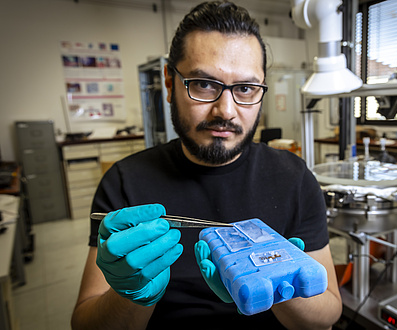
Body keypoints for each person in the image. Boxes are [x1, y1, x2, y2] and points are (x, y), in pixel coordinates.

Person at [71, 1, 342, 329]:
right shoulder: (124, 182)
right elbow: (85, 323)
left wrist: (281, 285)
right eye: (204, 84)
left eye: (245, 88)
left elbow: (327, 314)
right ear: (170, 85)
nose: (225, 110)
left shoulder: (294, 177)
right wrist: (131, 294)